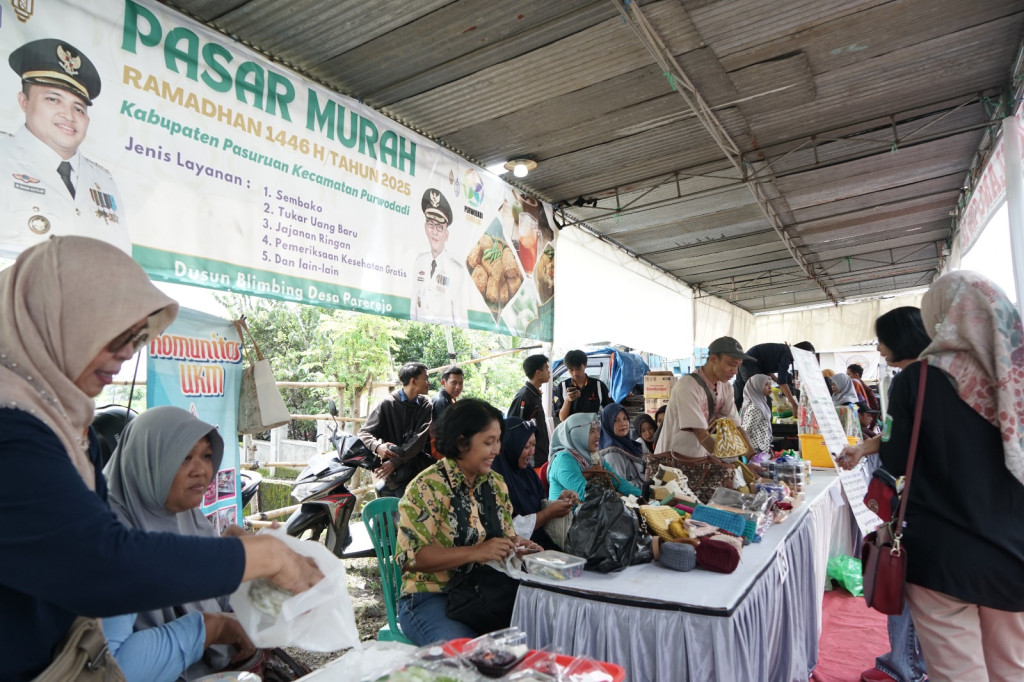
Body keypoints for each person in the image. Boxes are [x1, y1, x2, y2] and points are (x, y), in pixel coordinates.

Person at [0, 237, 322, 681]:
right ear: (51, 318)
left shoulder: (66, 425)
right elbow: (102, 565)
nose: (127, 352)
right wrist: (262, 557)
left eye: (137, 338)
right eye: (114, 333)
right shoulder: (12, 429)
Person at [840, 273, 1024, 681]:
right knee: (1013, 667)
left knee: (957, 671)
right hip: (1015, 550)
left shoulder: (920, 378)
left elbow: (897, 458)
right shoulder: (1015, 376)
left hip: (942, 552)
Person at [101, 406, 254, 680]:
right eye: (185, 457)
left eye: (206, 456)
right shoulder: (109, 537)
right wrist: (210, 629)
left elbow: (215, 599)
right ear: (146, 462)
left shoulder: (186, 516)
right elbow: (111, 668)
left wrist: (244, 569)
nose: (201, 470)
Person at [395, 399, 542, 645]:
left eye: (498, 441)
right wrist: (476, 552)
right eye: (488, 442)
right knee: (471, 654)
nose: (497, 450)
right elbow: (410, 558)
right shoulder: (428, 486)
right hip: (430, 597)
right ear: (462, 442)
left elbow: (503, 538)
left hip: (482, 593)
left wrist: (516, 546)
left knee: (536, 636)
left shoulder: (496, 484)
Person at [838, 306, 933, 682]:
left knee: (906, 582)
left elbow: (896, 444)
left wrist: (868, 452)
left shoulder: (911, 379)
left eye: (882, 340)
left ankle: (903, 667)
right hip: (950, 504)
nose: (878, 347)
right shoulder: (949, 373)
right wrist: (862, 449)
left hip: (920, 501)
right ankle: (919, 665)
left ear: (900, 339)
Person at [1, 38, 130, 259]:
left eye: (78, 108)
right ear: (24, 101)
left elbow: (121, 262)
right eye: (53, 99)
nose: (69, 115)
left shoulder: (104, 182)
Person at [656, 336, 750, 459]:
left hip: (697, 459)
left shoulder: (726, 388)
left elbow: (736, 428)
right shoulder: (687, 386)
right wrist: (724, 460)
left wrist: (753, 457)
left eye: (738, 365)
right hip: (671, 460)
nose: (735, 371)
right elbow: (701, 435)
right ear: (713, 359)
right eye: (732, 364)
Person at [490, 417, 574, 550]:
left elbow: (538, 506)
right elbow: (509, 530)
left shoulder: (528, 473)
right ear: (510, 446)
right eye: (526, 446)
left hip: (542, 542)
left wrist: (558, 503)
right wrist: (548, 513)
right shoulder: (494, 480)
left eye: (534, 445)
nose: (532, 452)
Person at [358, 361, 434, 498]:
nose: (429, 383)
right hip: (396, 474)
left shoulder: (425, 404)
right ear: (413, 381)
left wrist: (396, 461)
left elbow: (419, 439)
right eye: (426, 378)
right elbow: (364, 433)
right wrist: (378, 447)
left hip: (417, 468)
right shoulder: (388, 404)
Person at [547, 412, 642, 502]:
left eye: (597, 430)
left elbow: (618, 482)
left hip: (596, 509)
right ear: (576, 434)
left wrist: (642, 495)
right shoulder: (563, 460)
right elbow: (586, 494)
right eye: (592, 431)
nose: (597, 436)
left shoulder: (595, 457)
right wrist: (617, 496)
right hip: (571, 513)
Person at [410, 188, 469, 326]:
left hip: (445, 336)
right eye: (431, 225)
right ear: (425, 227)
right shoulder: (419, 262)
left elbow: (461, 318)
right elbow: (413, 309)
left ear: (446, 235)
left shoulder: (456, 271)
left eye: (439, 227)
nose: (434, 232)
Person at [734, 341, 815, 410]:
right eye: (806, 357)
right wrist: (794, 405)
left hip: (746, 362)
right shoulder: (787, 355)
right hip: (749, 365)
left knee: (738, 397)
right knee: (764, 400)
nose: (804, 360)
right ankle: (763, 423)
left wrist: (781, 383)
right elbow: (782, 382)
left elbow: (770, 372)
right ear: (801, 352)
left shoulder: (785, 351)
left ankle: (732, 420)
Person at [506, 353, 552, 464]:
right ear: (538, 372)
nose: (549, 372)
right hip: (530, 459)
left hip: (540, 456)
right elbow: (513, 426)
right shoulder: (524, 396)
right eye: (546, 368)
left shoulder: (535, 394)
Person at [553, 349, 612, 424]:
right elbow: (562, 418)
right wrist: (567, 400)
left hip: (592, 429)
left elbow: (610, 410)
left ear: (585, 365)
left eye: (578, 369)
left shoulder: (598, 386)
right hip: (571, 429)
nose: (575, 373)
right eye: (571, 370)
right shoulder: (562, 387)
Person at [598, 403, 646, 488]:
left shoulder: (628, 445)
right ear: (607, 424)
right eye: (616, 420)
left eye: (625, 418)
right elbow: (619, 486)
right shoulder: (612, 454)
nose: (623, 423)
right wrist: (647, 487)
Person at [740, 374, 774, 455]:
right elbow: (747, 430)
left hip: (760, 447)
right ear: (756, 387)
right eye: (766, 385)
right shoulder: (756, 407)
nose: (770, 387)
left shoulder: (761, 404)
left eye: (770, 384)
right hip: (755, 449)